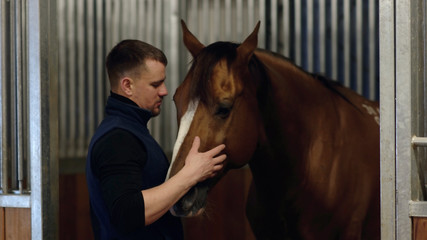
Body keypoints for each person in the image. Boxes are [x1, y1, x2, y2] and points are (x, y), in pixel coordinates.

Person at [86, 39, 226, 240]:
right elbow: (128, 213)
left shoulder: (132, 131)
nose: (164, 91)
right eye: (156, 84)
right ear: (127, 86)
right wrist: (190, 175)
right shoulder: (117, 139)